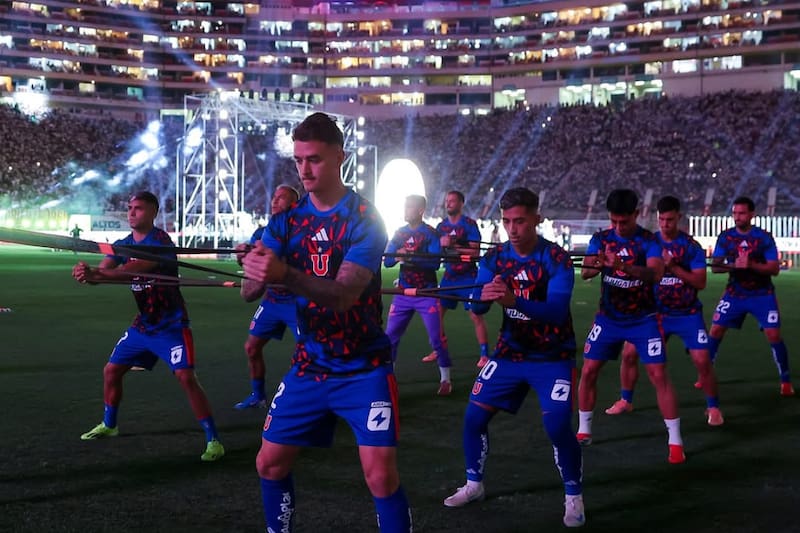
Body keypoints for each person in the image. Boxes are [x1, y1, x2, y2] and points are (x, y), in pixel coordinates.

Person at [241, 112, 412, 532]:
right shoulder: (287, 220)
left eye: (314, 159)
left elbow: (344, 295)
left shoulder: (365, 219)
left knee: (381, 477)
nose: (304, 169)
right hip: (310, 365)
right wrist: (254, 266)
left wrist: (284, 274)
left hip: (363, 368)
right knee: (269, 463)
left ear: (339, 157)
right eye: (298, 160)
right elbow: (249, 291)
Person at [443, 187, 585, 528]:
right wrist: (482, 294)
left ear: (536, 218)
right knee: (473, 419)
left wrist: (512, 301)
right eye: (507, 221)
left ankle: (574, 496)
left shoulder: (556, 258)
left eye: (520, 221)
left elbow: (555, 311)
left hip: (552, 356)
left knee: (556, 425)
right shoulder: (494, 259)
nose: (513, 229)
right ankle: (474, 484)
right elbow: (476, 305)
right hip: (509, 353)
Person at [71, 191, 224, 462]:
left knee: (186, 378)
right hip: (143, 326)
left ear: (153, 213)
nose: (131, 212)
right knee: (111, 371)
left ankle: (214, 439)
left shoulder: (160, 242)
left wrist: (98, 273)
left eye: (138, 208)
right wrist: (88, 273)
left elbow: (132, 270)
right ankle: (110, 424)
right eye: (129, 208)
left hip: (171, 325)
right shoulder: (122, 244)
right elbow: (105, 272)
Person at [576, 189, 685, 464]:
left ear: (637, 215)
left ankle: (675, 440)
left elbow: (656, 274)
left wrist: (623, 265)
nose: (618, 227)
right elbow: (586, 271)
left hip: (643, 319)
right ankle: (584, 429)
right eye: (614, 221)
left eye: (623, 222)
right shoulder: (600, 238)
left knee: (659, 375)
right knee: (588, 370)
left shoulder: (648, 241)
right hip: (608, 318)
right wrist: (597, 263)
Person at [603, 196, 724, 426]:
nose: (665, 224)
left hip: (686, 314)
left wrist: (673, 267)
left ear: (679, 217)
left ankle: (713, 407)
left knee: (702, 360)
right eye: (661, 220)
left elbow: (700, 282)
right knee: (628, 355)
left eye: (669, 219)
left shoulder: (690, 246)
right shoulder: (648, 242)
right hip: (652, 313)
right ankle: (625, 400)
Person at [707, 196, 794, 396]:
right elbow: (716, 267)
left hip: (762, 294)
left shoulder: (763, 237)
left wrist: (751, 264)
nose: (737, 217)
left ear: (751, 214)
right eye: (735, 213)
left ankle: (786, 380)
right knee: (716, 330)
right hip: (734, 293)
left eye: (742, 213)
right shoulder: (726, 237)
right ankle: (705, 375)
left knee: (773, 335)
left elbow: (774, 269)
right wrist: (733, 265)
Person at [236, 184, 300, 409]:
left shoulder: (301, 230)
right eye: (274, 196)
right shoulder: (261, 232)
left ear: (294, 205)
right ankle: (258, 396)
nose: (275, 200)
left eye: (282, 198)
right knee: (251, 348)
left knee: (309, 353)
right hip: (273, 299)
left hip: (297, 301)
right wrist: (242, 255)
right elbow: (247, 263)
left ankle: (304, 399)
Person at [384, 194, 453, 395]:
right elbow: (387, 261)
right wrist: (398, 256)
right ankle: (389, 379)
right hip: (403, 293)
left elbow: (434, 263)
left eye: (409, 207)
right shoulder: (399, 233)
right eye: (405, 206)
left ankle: (446, 380)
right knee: (390, 338)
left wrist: (408, 256)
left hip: (427, 293)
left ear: (420, 210)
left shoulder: (430, 234)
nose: (405, 210)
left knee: (436, 339)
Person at [421, 190, 490, 368]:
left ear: (461, 203)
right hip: (449, 277)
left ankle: (484, 355)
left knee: (475, 315)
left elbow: (475, 251)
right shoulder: (441, 227)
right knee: (436, 315)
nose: (448, 204)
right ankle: (438, 349)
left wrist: (454, 246)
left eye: (452, 201)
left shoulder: (469, 224)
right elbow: (437, 251)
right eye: (447, 201)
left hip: (468, 277)